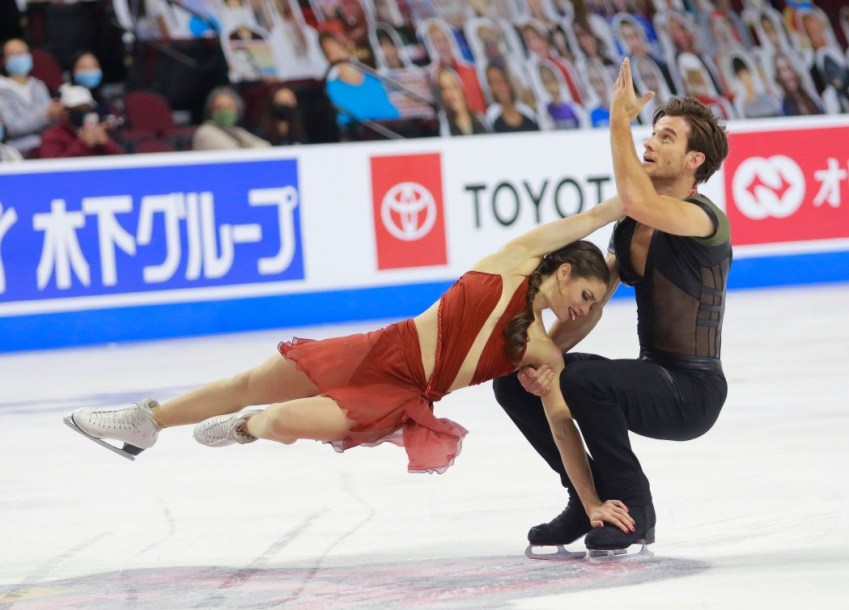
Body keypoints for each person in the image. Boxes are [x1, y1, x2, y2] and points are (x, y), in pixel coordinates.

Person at [65, 198, 638, 536]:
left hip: (401, 392)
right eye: (587, 295)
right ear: (564, 272)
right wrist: (640, 163)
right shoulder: (514, 260)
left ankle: (245, 428)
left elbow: (562, 423)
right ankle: (146, 421)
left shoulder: (541, 351)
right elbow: (609, 208)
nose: (583, 310)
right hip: (378, 347)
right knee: (248, 381)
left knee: (282, 420)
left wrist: (589, 502)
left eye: (591, 308)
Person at [493, 58, 732, 555]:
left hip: (693, 391)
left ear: (694, 161)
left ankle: (636, 510)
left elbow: (637, 200)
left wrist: (617, 123)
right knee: (515, 383)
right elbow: (593, 302)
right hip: (652, 377)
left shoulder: (703, 219)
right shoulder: (629, 230)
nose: (649, 142)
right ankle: (587, 500)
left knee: (583, 380)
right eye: (651, 132)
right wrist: (542, 359)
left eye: (666, 137)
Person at [0, 38, 63, 156]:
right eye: (15, 54)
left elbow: (51, 124)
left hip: (46, 145)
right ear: (4, 60)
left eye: (24, 52)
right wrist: (45, 115)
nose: (21, 57)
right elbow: (12, 127)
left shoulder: (38, 85)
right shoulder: (2, 89)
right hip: (17, 150)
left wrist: (55, 114)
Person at [37, 85, 124, 159]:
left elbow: (121, 161)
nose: (83, 112)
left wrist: (106, 143)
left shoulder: (98, 131)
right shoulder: (52, 136)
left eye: (86, 108)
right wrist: (82, 143)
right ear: (65, 112)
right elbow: (53, 170)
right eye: (77, 109)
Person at [192, 86, 271, 151]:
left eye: (229, 107)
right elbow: (234, 153)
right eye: (218, 108)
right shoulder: (205, 131)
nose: (224, 111)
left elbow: (265, 146)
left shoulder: (235, 130)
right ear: (211, 110)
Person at [432, 65, 489, 136]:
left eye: (453, 87)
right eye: (443, 89)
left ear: (462, 90)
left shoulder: (481, 119)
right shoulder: (442, 124)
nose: (449, 94)